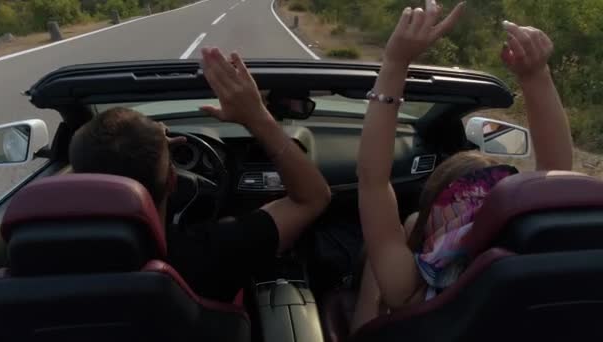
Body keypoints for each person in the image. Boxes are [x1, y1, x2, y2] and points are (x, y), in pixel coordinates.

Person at [351, 0, 573, 331]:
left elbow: (372, 181)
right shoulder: (530, 277)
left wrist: (396, 61)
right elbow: (557, 179)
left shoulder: (410, 290)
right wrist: (536, 75)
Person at [69, 47, 331, 303]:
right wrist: (257, 117)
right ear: (173, 180)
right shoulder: (211, 253)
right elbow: (313, 197)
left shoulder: (48, 257)